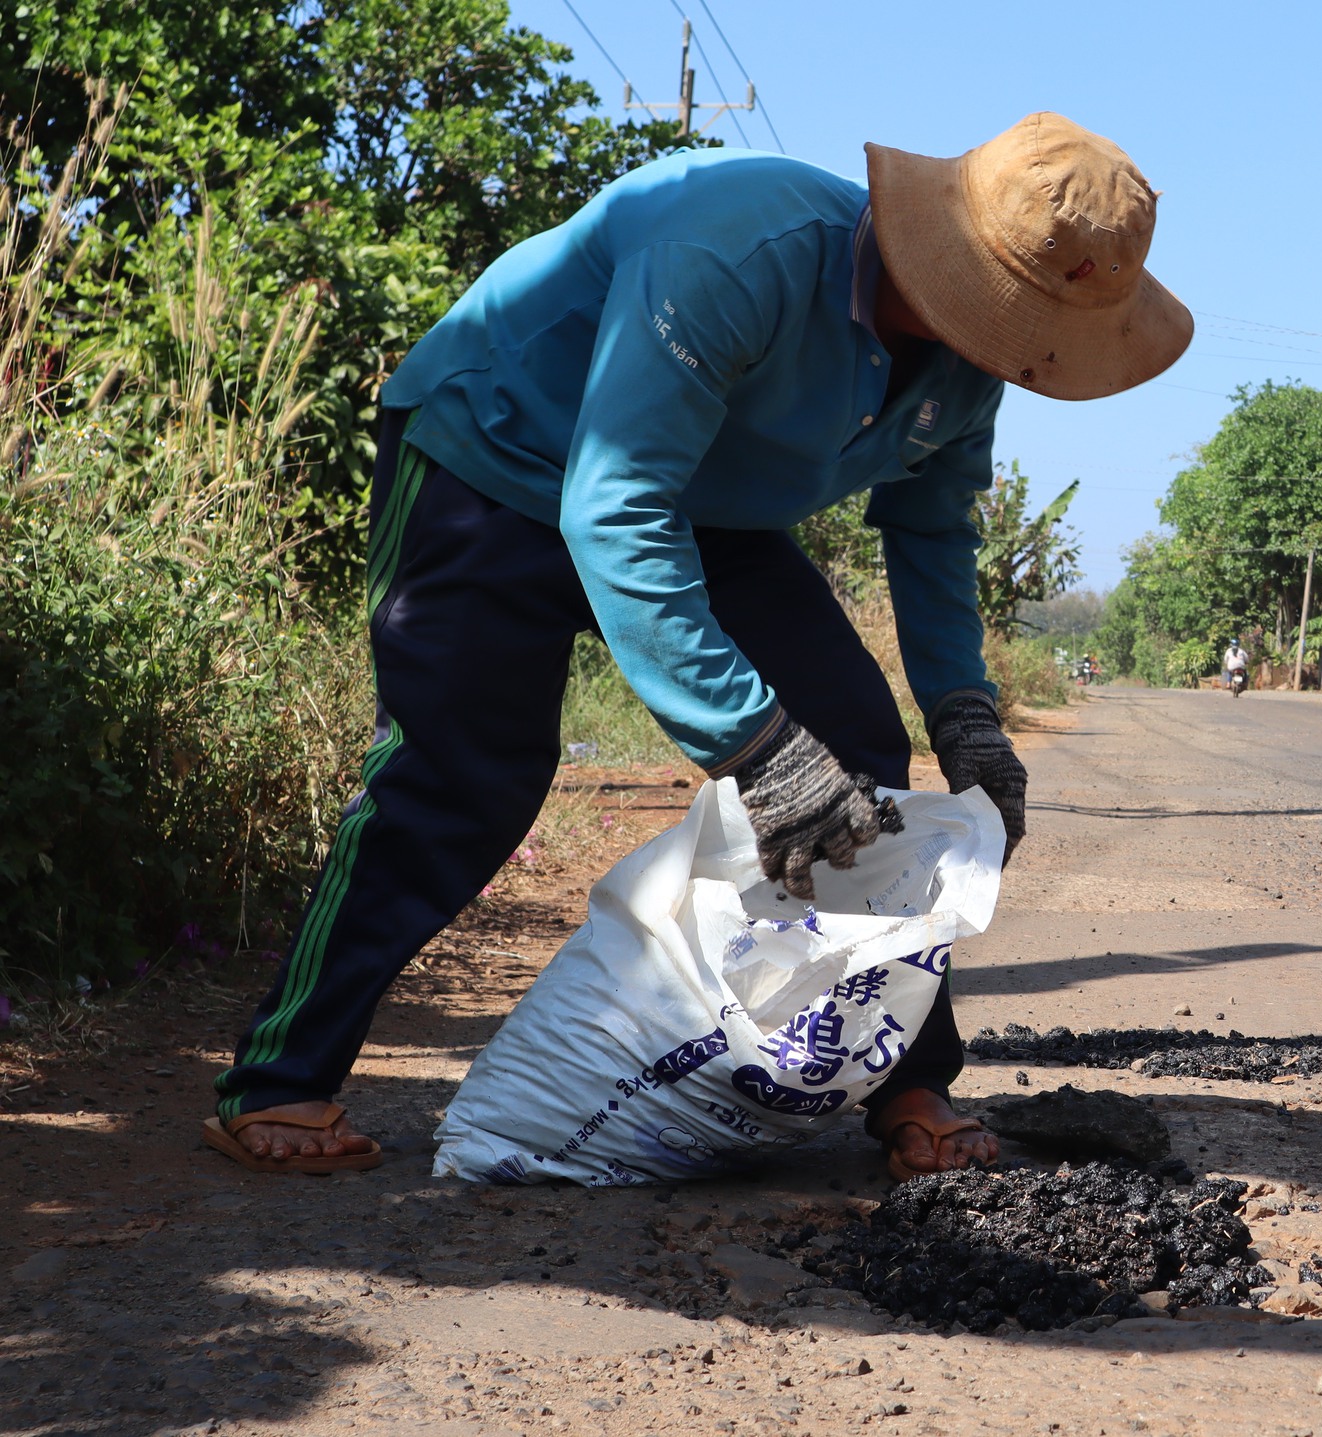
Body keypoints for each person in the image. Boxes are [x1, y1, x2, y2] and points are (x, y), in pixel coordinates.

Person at [202, 114, 1191, 1178]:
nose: (1017, 344)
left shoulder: (975, 364)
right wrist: (754, 748)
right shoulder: (738, 250)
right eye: (1008, 314)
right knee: (459, 780)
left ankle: (910, 1079)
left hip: (712, 507)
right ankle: (282, 1079)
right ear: (948, 258)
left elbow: (934, 531)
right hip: (494, 461)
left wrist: (965, 712)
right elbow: (617, 502)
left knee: (855, 746)